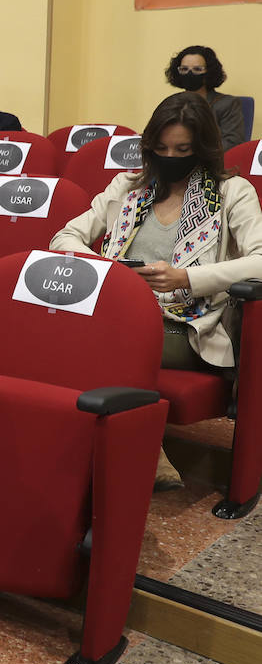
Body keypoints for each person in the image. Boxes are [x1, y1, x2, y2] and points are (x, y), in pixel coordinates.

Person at [51, 91, 262, 489]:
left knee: (101, 337)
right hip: (119, 310)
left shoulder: (232, 192)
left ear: (202, 148)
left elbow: (261, 258)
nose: (171, 156)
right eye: (162, 148)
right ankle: (116, 450)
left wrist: (186, 278)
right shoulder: (129, 186)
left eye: (183, 148)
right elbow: (66, 236)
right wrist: (109, 270)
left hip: (189, 324)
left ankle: (136, 452)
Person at [166, 46, 246, 152]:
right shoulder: (171, 103)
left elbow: (232, 144)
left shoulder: (227, 104)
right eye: (184, 69)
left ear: (209, 72)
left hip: (210, 164)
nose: (190, 74)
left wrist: (192, 151)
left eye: (197, 69)